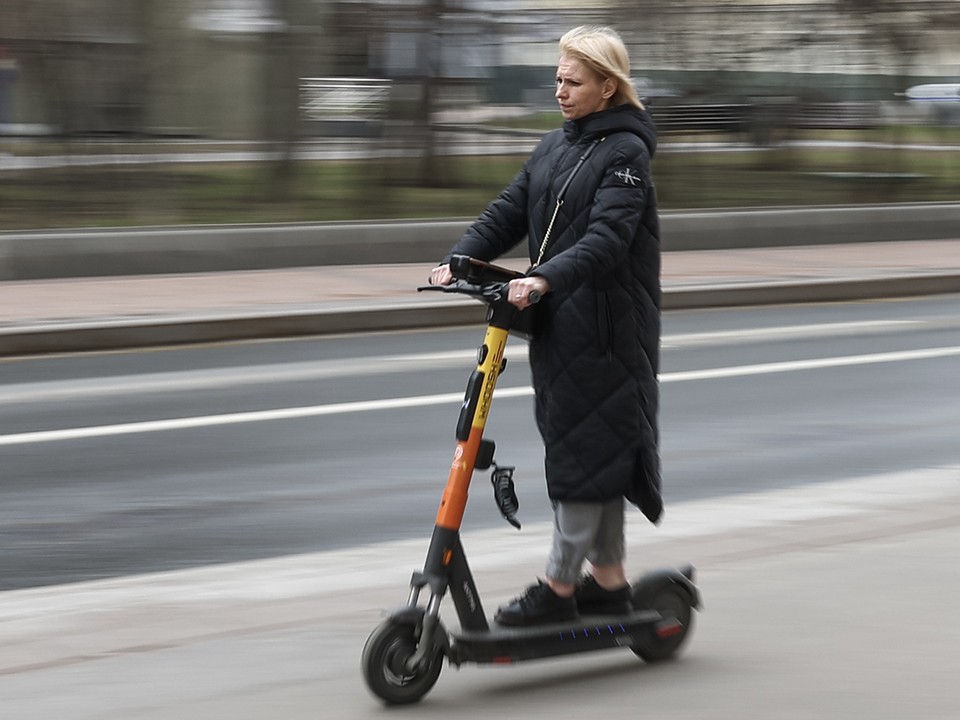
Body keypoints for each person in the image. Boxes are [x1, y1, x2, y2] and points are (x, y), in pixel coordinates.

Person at [430, 25, 663, 626]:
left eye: (573, 81)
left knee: (582, 453)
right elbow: (509, 208)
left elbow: (608, 239)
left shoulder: (626, 155)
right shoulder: (556, 146)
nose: (559, 90)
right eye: (557, 78)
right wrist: (460, 258)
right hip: (564, 324)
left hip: (609, 332)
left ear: (607, 87)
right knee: (590, 451)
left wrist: (543, 278)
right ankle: (608, 583)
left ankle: (559, 587)